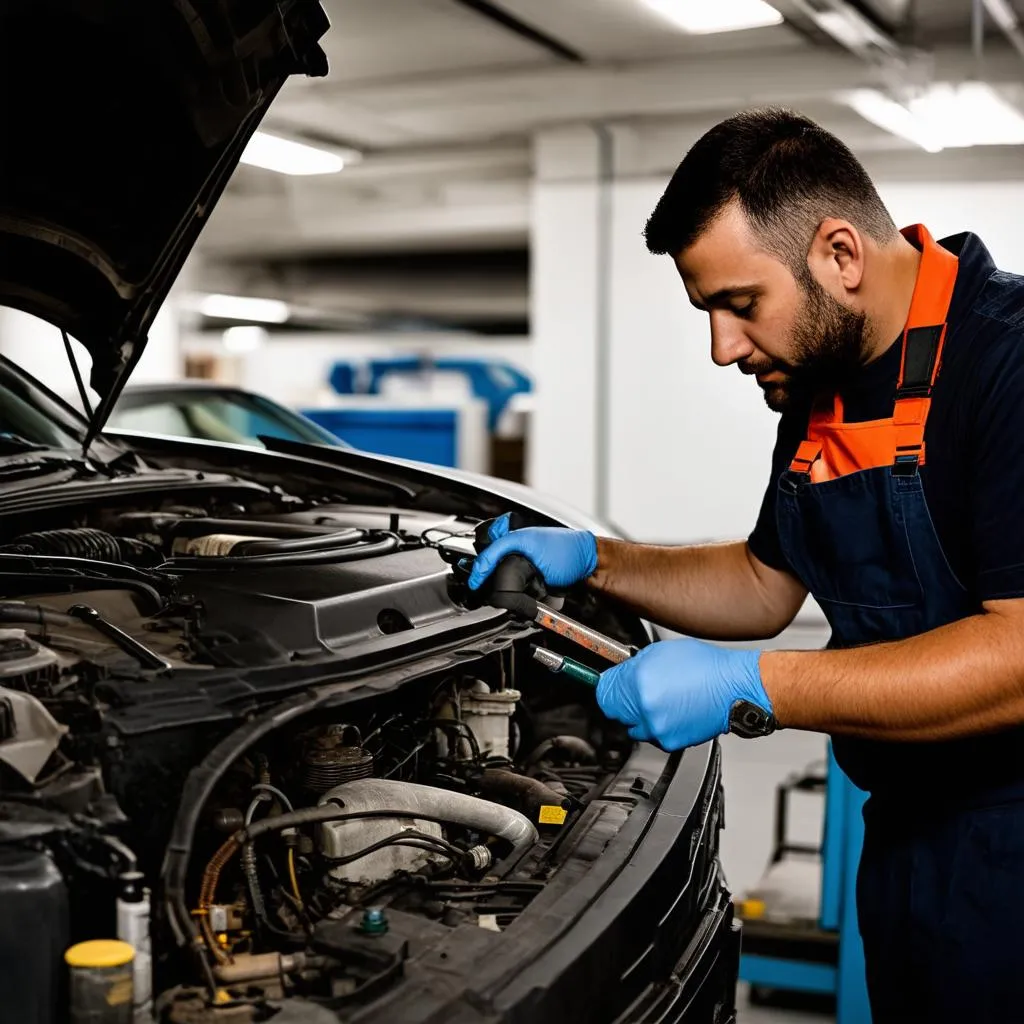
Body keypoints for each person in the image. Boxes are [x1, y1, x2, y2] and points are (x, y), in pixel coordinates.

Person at [468, 109, 1024, 1023]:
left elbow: (1017, 657)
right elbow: (767, 582)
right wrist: (591, 561)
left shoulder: (1006, 365)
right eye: (708, 312)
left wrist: (750, 683)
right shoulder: (818, 390)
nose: (723, 347)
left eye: (740, 304)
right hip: (909, 839)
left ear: (840, 254)